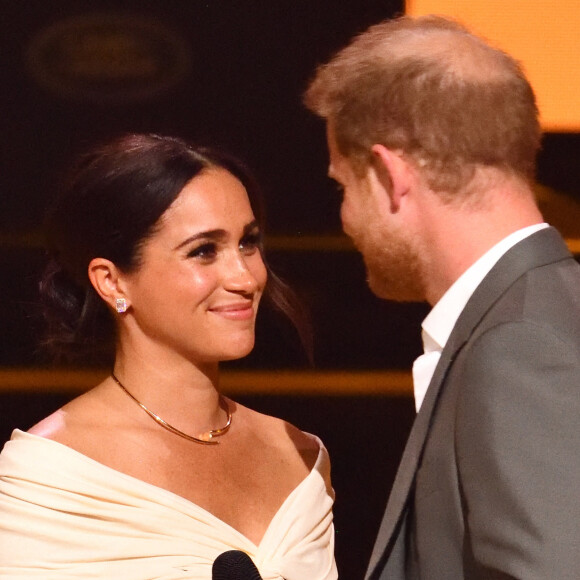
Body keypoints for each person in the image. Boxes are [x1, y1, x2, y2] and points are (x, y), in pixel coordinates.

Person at [304, 14, 580, 580]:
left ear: (387, 174)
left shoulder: (520, 347)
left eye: (342, 186)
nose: (345, 218)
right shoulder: (540, 316)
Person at [0, 134, 337, 580]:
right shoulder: (44, 479)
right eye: (203, 251)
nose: (245, 277)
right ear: (112, 282)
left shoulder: (300, 454)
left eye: (248, 243)